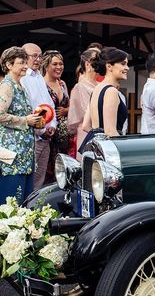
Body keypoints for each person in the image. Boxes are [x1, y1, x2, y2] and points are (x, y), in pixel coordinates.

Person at [0, 47, 43, 201]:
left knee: (23, 201)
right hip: (11, 156)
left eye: (26, 62)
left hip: (24, 155)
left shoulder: (20, 86)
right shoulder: (7, 86)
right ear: (9, 65)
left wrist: (34, 121)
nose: (26, 66)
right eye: (21, 63)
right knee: (10, 201)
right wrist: (26, 121)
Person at [20, 43, 56, 189]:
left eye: (40, 56)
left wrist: (52, 126)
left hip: (45, 137)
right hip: (32, 137)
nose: (38, 59)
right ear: (24, 57)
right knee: (28, 182)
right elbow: (29, 108)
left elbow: (49, 105)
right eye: (34, 55)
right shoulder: (22, 79)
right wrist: (42, 130)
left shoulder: (39, 77)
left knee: (39, 182)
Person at [82, 47, 129, 140]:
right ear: (109, 66)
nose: (127, 68)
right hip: (109, 148)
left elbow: (86, 126)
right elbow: (110, 132)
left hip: (96, 145)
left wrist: (99, 138)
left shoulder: (96, 89)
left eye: (127, 64)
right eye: (123, 64)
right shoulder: (111, 91)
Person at [41, 51, 70, 184]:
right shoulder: (40, 84)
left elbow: (71, 106)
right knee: (47, 171)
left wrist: (66, 111)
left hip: (63, 135)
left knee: (62, 170)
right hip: (48, 133)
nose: (59, 67)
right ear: (46, 65)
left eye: (61, 64)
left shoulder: (62, 84)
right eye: (55, 64)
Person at [68, 48, 99, 159]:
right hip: (86, 132)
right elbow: (84, 113)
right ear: (87, 64)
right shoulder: (79, 87)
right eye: (96, 60)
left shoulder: (100, 85)